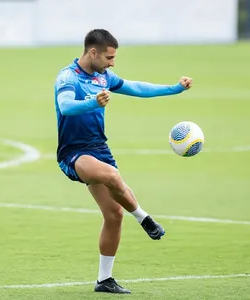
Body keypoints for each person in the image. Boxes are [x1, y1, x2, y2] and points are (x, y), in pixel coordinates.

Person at [54, 29, 193, 294]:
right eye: (109, 57)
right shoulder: (68, 77)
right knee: (112, 177)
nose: (112, 63)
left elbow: (137, 87)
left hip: (99, 148)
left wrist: (175, 89)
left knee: (114, 214)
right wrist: (92, 102)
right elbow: (66, 107)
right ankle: (144, 218)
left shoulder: (103, 76)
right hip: (74, 152)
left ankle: (104, 280)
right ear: (93, 52)